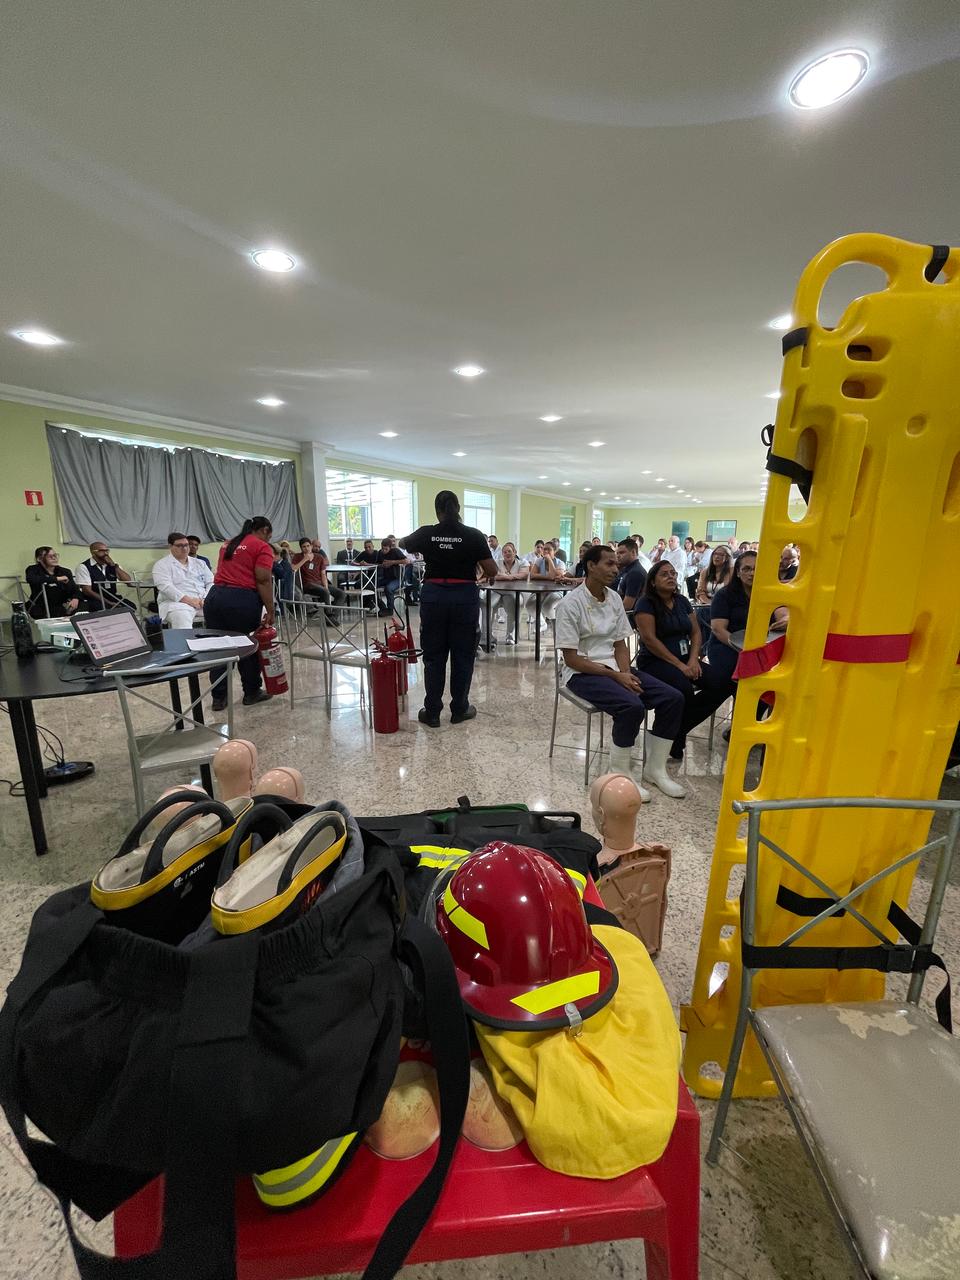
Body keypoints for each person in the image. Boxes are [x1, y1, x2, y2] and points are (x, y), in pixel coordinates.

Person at [554, 545, 685, 801]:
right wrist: (616, 677)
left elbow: (620, 644)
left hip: (615, 667)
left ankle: (655, 769)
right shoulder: (570, 604)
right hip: (582, 672)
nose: (616, 569)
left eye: (617, 564)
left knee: (673, 698)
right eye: (609, 564)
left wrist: (625, 673)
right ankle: (619, 773)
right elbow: (571, 658)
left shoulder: (613, 598)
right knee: (631, 707)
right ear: (591, 566)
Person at [400, 490, 498, 727]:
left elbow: (403, 543)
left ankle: (432, 712)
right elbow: (492, 570)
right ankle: (460, 709)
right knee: (463, 655)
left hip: (434, 597)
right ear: (458, 509)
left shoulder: (427, 532)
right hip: (464, 598)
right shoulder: (473, 535)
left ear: (438, 511)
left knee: (433, 656)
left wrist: (431, 543)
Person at [634, 560, 730, 762]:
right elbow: (649, 640)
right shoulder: (645, 603)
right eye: (664, 574)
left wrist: (693, 660)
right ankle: (673, 743)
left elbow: (695, 632)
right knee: (683, 689)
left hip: (685, 658)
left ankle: (673, 732)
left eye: (673, 573)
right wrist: (680, 666)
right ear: (653, 581)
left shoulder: (682, 601)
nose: (670, 576)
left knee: (722, 683)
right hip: (654, 661)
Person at [204, 516, 275, 710]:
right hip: (240, 600)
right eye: (269, 536)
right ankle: (252, 692)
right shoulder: (261, 546)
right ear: (265, 530)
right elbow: (263, 579)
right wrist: (270, 609)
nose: (269, 539)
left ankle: (219, 698)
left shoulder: (228, 543)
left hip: (215, 597)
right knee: (248, 647)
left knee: (219, 648)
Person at [152, 532, 213, 628]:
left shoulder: (200, 563)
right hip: (177, 604)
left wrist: (206, 599)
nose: (184, 548)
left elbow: (211, 582)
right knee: (182, 616)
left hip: (202, 602)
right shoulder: (161, 565)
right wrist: (190, 601)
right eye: (179, 545)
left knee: (225, 610)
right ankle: (183, 638)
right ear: (170, 546)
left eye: (186, 545)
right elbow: (166, 587)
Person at [484, 541, 528, 646]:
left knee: (514, 604)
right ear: (502, 554)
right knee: (487, 603)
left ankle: (510, 636)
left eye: (509, 551)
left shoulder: (523, 563)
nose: (507, 553)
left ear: (515, 552)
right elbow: (492, 576)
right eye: (504, 552)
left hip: (514, 592)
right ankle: (487, 636)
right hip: (497, 591)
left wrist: (504, 576)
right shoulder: (497, 562)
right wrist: (511, 577)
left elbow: (523, 575)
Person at [74, 541, 131, 611]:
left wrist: (114, 566)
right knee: (105, 609)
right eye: (102, 551)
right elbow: (87, 591)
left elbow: (128, 581)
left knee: (131, 607)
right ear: (93, 553)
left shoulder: (113, 565)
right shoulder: (83, 567)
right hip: (94, 599)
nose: (106, 553)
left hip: (112, 597)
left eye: (107, 550)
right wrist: (108, 602)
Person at [25, 547, 80, 618]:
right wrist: (57, 579)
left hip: (63, 603)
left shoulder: (65, 571)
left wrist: (75, 598)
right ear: (39, 559)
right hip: (42, 605)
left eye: (55, 555)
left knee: (86, 605)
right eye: (49, 556)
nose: (54, 558)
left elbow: (74, 588)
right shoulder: (33, 569)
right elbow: (32, 579)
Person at [526, 538, 566, 633]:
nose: (546, 551)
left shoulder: (560, 563)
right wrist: (548, 577)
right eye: (545, 549)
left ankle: (556, 623)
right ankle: (542, 623)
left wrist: (549, 560)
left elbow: (556, 576)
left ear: (554, 551)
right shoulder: (539, 561)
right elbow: (532, 575)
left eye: (549, 549)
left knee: (547, 607)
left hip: (556, 591)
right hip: (541, 590)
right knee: (529, 604)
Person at [614, 538, 647, 627]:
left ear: (633, 552)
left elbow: (627, 605)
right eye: (617, 553)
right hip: (621, 613)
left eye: (622, 553)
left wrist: (607, 611)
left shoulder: (635, 572)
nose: (618, 556)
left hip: (630, 618)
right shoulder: (626, 569)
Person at [376, 536, 407, 616]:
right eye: (382, 548)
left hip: (397, 579)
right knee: (371, 586)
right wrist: (382, 565)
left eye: (386, 549)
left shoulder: (395, 551)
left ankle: (390, 610)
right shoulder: (380, 553)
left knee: (388, 588)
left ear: (390, 547)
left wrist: (392, 562)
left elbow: (406, 561)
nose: (384, 551)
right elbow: (376, 564)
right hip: (385, 578)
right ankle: (382, 607)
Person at [696, 545, 734, 609]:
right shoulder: (705, 572)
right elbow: (700, 592)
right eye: (715, 554)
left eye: (721, 555)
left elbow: (733, 593)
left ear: (727, 558)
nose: (716, 556)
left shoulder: (732, 572)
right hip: (707, 605)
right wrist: (710, 603)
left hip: (726, 606)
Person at [271, 543, 294, 612]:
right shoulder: (278, 564)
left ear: (278, 554)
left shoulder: (285, 564)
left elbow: (282, 576)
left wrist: (273, 563)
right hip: (277, 592)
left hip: (283, 594)